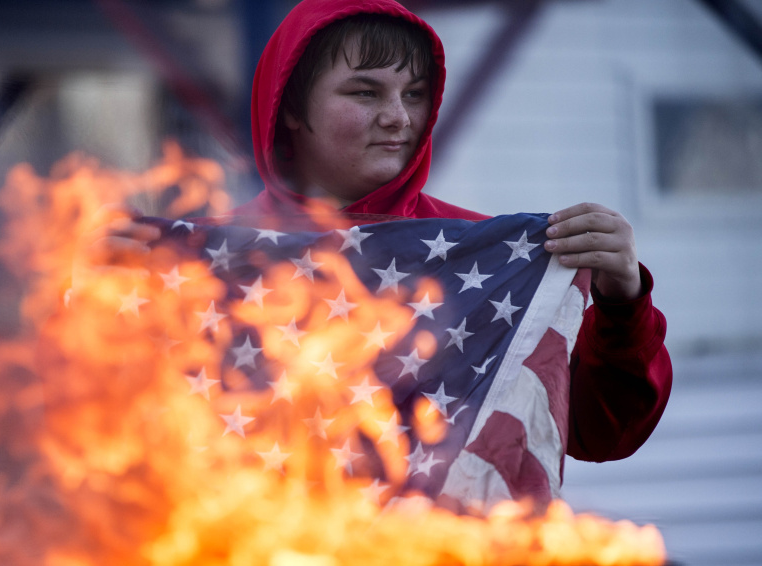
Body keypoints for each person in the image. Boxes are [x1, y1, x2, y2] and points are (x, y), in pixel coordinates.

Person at [100, 0, 671, 464]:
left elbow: (601, 432)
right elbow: (104, 438)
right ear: (291, 107)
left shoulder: (496, 259)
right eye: (365, 92)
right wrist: (102, 306)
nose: (399, 116)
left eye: (415, 94)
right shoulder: (196, 262)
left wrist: (623, 304)